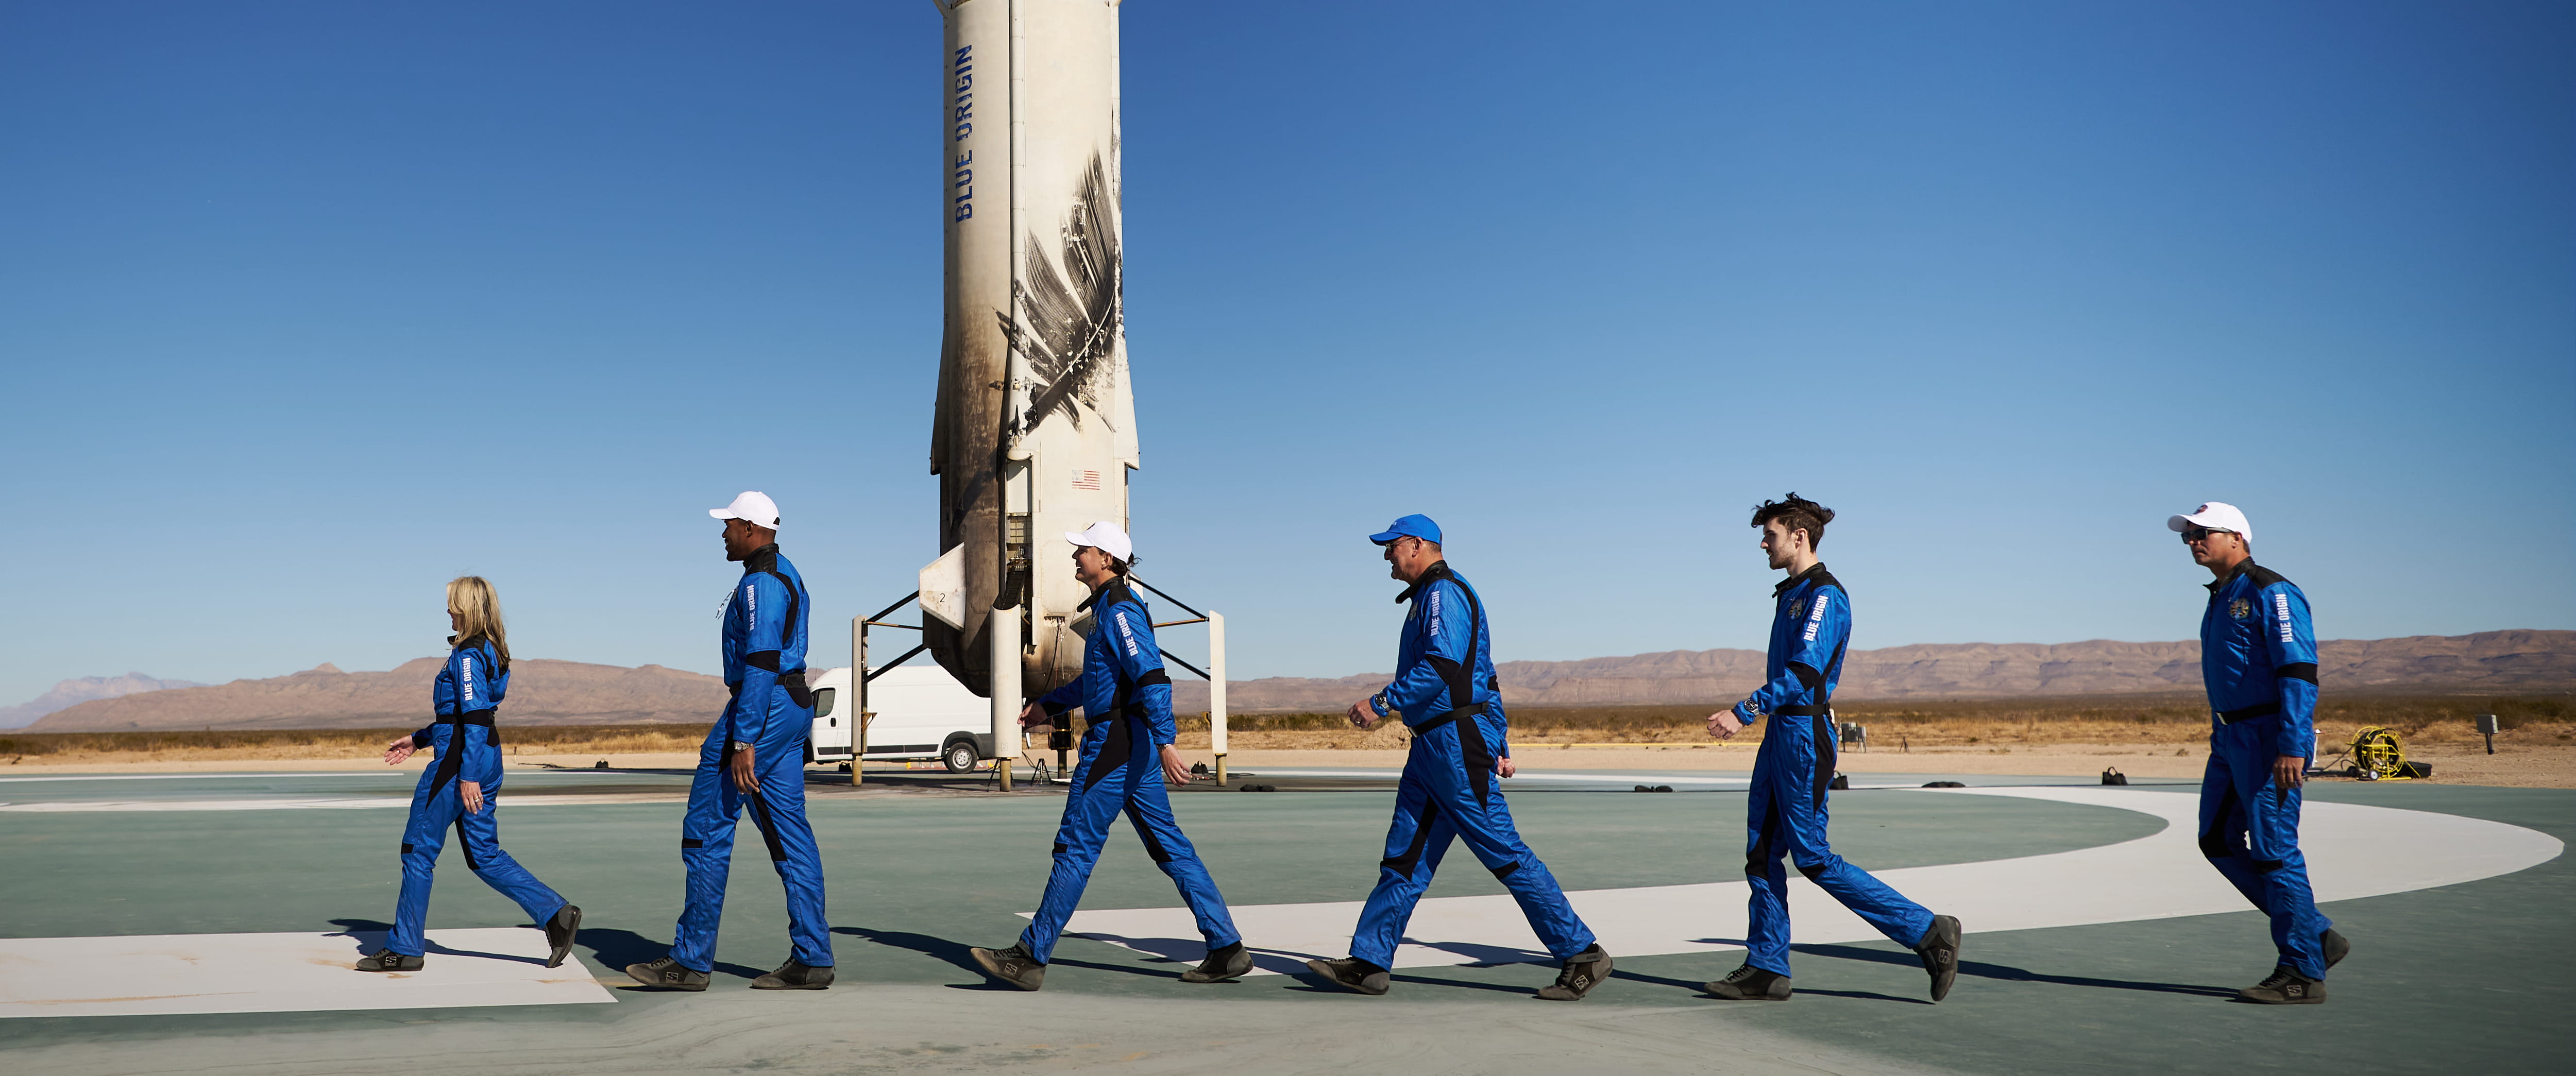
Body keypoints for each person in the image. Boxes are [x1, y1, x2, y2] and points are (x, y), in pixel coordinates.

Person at [1305, 514, 1613, 1001]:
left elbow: (1444, 667)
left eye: (1391, 547)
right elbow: (1485, 674)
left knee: (1502, 850)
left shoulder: (1443, 594)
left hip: (1452, 745)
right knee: (1404, 858)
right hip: (1434, 746)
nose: (1387, 555)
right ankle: (1368, 962)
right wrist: (1500, 736)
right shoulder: (1430, 598)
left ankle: (1582, 953)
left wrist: (1381, 704)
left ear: (1417, 545)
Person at [969, 522, 1250, 990]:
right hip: (1131, 744)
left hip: (1117, 744)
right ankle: (1226, 947)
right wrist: (1051, 703)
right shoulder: (1106, 609)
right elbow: (1098, 683)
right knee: (1170, 846)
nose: (1077, 555)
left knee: (1074, 846)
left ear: (1107, 559)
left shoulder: (1119, 610)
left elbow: (1152, 676)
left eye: (1085, 549)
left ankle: (1030, 956)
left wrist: (1166, 741)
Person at [1704, 494, 1960, 1003]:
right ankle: (1766, 966)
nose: (1762, 543)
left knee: (1813, 857)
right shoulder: (1792, 593)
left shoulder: (1823, 596)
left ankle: (1928, 931)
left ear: (1798, 537)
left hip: (1802, 737)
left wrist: (1743, 710)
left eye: (1770, 535)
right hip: (1780, 734)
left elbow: (1803, 672)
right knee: (1760, 856)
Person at [626, 491, 835, 991]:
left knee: (705, 827)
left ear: (749, 528)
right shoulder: (785, 573)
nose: (722, 534)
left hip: (762, 706)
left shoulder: (761, 583)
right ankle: (813, 956)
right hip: (791, 705)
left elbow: (761, 659)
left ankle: (691, 960)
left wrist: (744, 738)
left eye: (728, 525)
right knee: (789, 835)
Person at [2168, 501, 2348, 1003]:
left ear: (2236, 537)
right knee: (2216, 841)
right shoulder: (2219, 596)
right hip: (2227, 741)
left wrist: (2292, 743)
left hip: (2268, 739)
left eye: (2202, 532)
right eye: (2187, 534)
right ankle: (2312, 933)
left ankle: (2301, 972)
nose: (2192, 541)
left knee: (2273, 852)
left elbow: (2297, 669)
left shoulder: (2272, 591)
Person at [362, 576, 581, 972]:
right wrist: (418, 739)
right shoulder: (492, 650)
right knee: (483, 854)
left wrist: (467, 775)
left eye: (451, 604)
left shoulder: (467, 655)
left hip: (462, 762)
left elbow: (473, 717)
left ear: (466, 607)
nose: (447, 610)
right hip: (483, 756)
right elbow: (462, 715)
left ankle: (406, 946)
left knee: (417, 848)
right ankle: (556, 913)